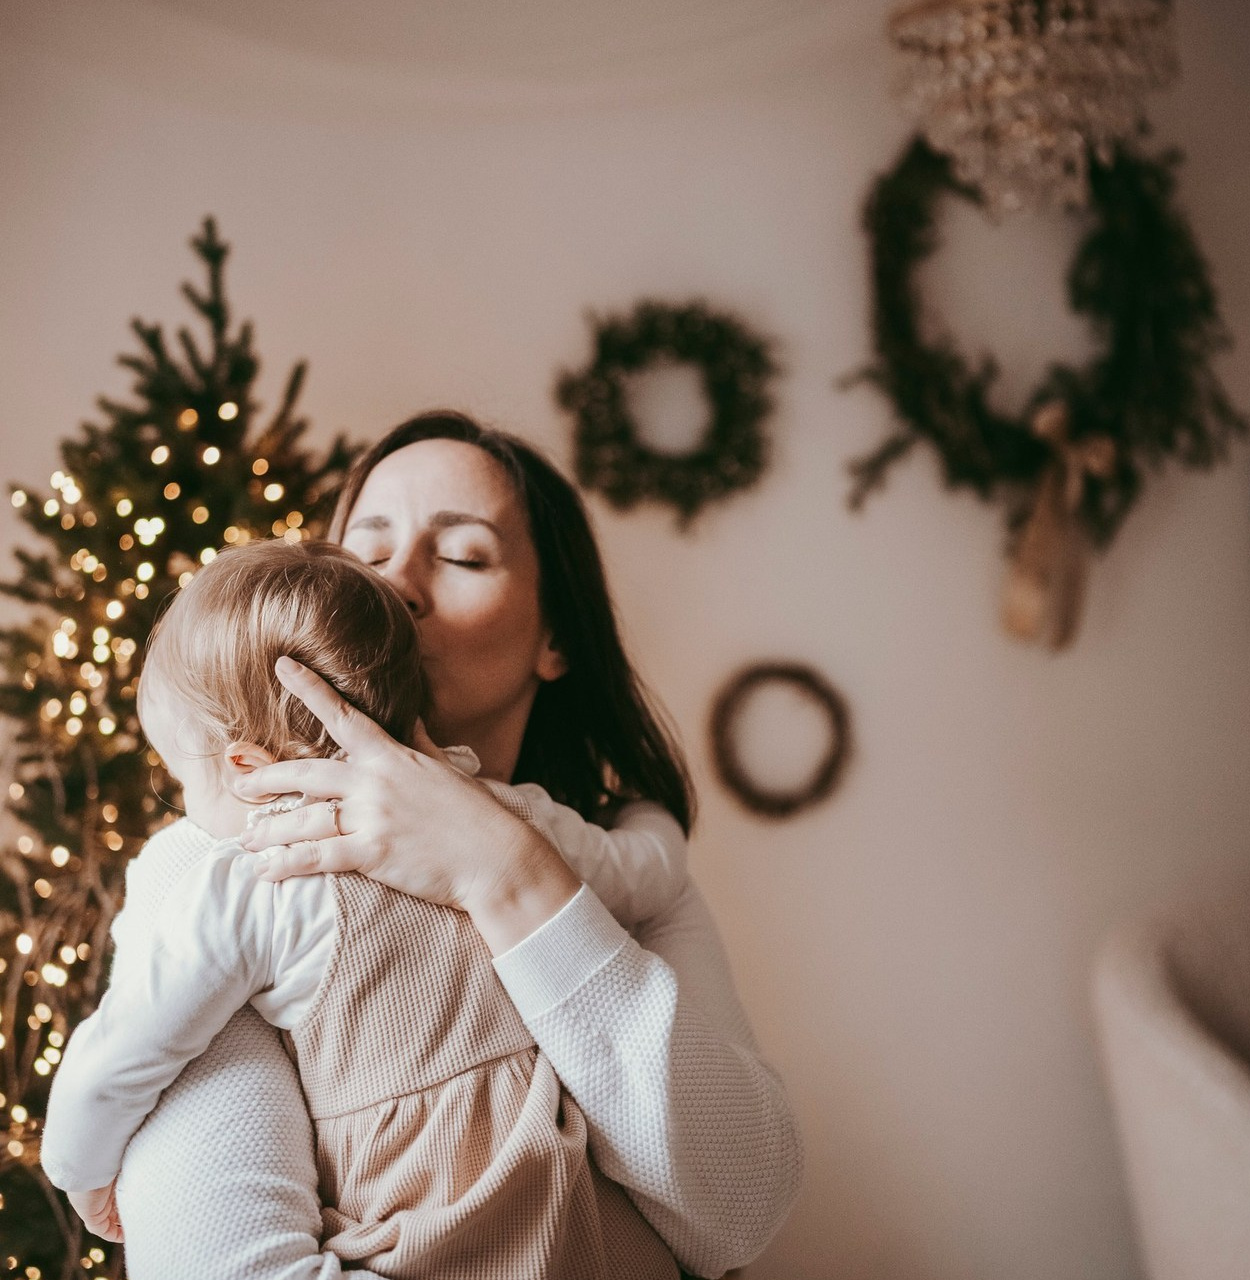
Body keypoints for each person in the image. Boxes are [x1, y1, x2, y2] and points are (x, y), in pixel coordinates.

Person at [234, 411, 804, 1277]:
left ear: (557, 640)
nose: (399, 585)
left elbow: (741, 1205)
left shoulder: (631, 876)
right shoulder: (240, 863)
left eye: (462, 556)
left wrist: (501, 867)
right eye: (365, 550)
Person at [42, 539, 684, 1279]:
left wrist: (80, 1170)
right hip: (587, 1217)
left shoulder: (258, 880)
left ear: (249, 770)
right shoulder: (514, 817)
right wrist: (654, 815)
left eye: (182, 778)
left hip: (428, 1227)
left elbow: (125, 1049)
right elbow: (648, 874)